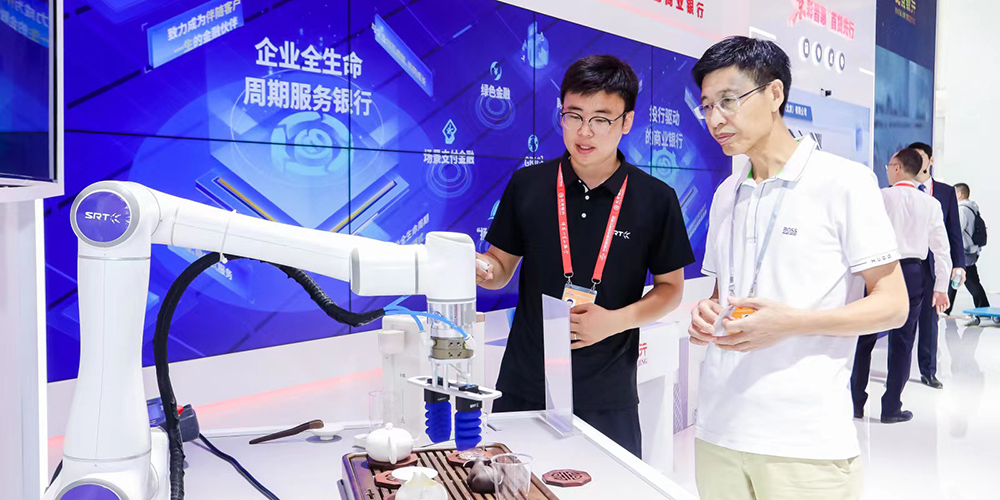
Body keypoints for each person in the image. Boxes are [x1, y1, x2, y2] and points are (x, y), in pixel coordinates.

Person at [688, 36, 908, 500]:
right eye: (706, 106)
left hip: (805, 442)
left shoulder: (845, 181)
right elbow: (723, 295)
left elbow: (893, 305)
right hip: (718, 431)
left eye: (728, 100)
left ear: (774, 94)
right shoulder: (728, 192)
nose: (715, 119)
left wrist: (791, 323)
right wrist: (707, 315)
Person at [476, 55, 693, 458]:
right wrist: (477, 268)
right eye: (573, 116)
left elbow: (670, 289)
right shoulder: (528, 184)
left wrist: (613, 321)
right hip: (524, 383)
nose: (584, 131)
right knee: (513, 484)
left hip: (608, 392)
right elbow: (500, 268)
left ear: (627, 122)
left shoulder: (655, 199)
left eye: (601, 119)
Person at [852, 148, 951, 424]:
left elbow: (859, 236)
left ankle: (856, 403)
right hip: (912, 272)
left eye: (889, 165)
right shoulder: (930, 204)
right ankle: (891, 407)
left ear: (897, 167)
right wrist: (941, 286)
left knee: (865, 337)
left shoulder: (878, 197)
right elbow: (941, 250)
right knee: (903, 340)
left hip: (878, 268)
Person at [909, 141, 965, 389]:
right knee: (901, 320)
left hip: (934, 266)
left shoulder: (945, 192)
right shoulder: (900, 190)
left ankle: (928, 371)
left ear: (931, 160)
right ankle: (896, 373)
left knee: (930, 321)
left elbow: (954, 231)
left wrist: (959, 264)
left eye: (921, 156)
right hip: (906, 264)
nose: (917, 160)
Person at [945, 183, 990, 312]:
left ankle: (983, 308)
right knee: (957, 279)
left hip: (963, 252)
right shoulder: (973, 208)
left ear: (959, 194)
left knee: (969, 281)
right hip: (971, 250)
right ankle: (946, 308)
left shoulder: (962, 210)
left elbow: (956, 231)